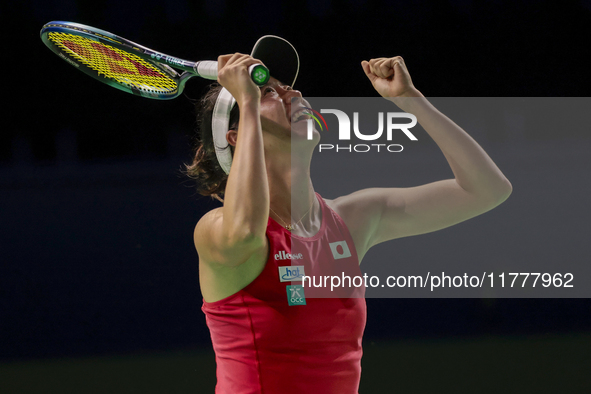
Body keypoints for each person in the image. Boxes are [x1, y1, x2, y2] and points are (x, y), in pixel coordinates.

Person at [185, 36, 512, 393]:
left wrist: (411, 101)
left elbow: (486, 191)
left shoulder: (351, 220)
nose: (291, 94)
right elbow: (246, 232)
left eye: (289, 87)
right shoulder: (215, 231)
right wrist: (247, 100)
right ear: (236, 135)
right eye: (268, 93)